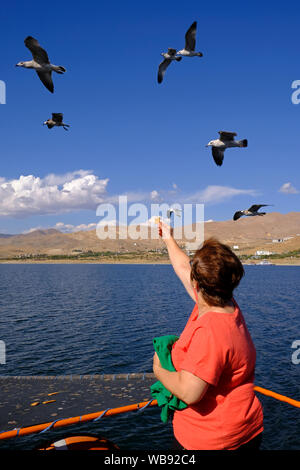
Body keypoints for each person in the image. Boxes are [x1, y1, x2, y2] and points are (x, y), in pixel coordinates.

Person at [152, 221, 264, 450]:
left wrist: (158, 368)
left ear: (197, 283)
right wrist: (168, 239)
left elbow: (190, 393)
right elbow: (184, 268)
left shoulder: (211, 331)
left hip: (212, 440)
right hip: (246, 429)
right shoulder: (227, 305)